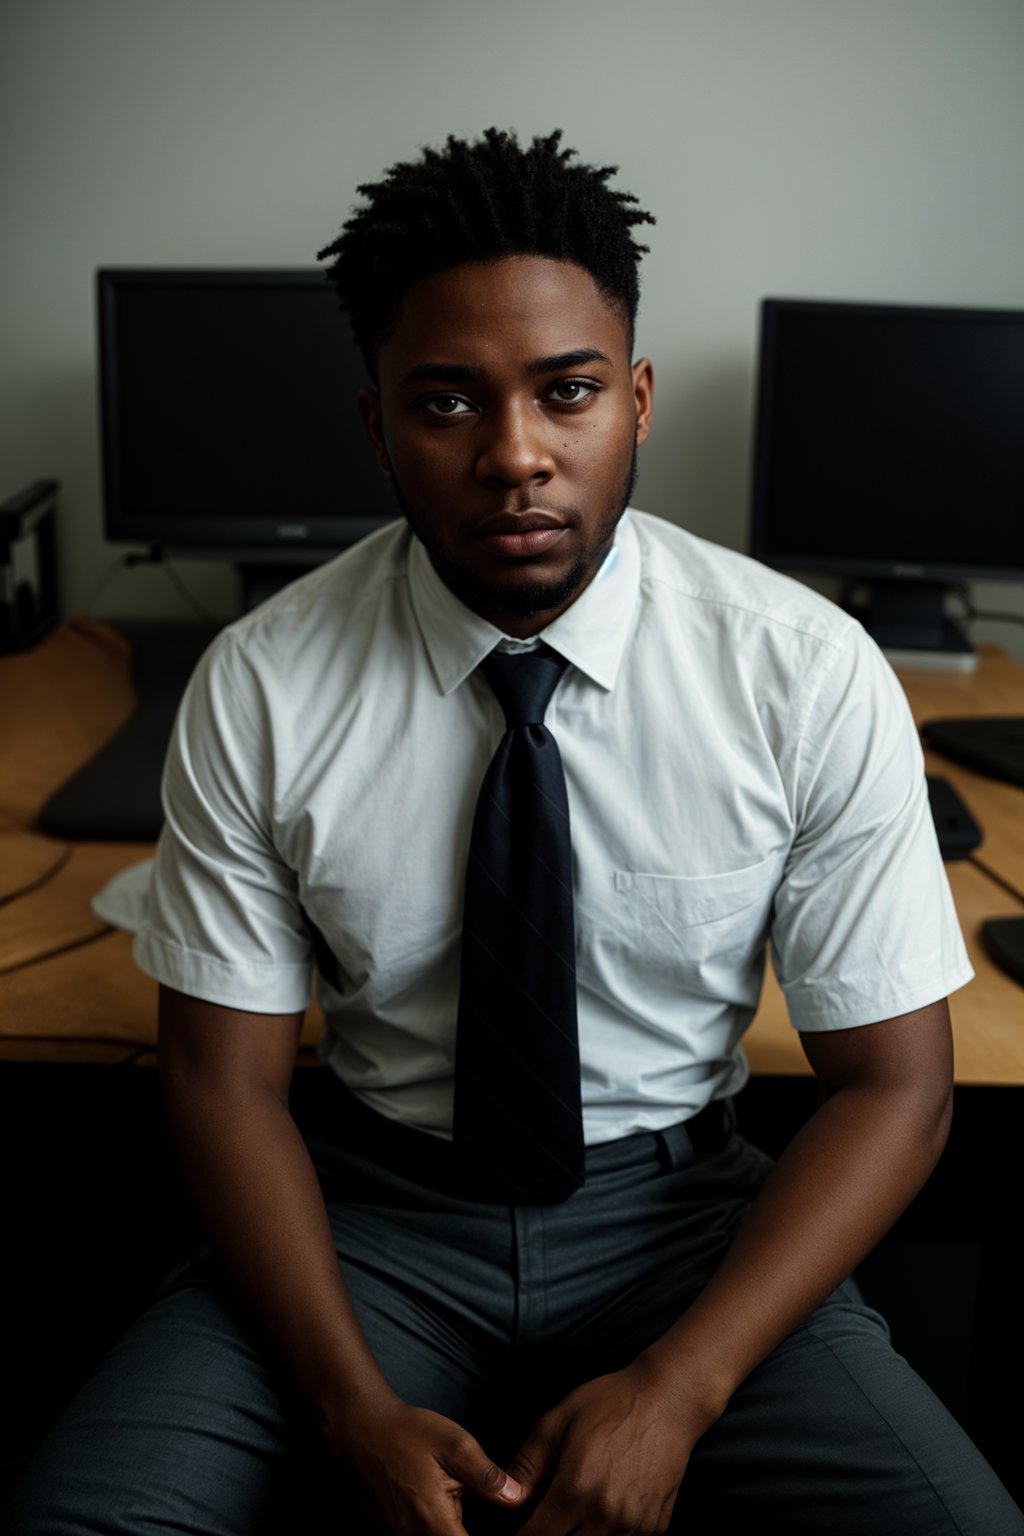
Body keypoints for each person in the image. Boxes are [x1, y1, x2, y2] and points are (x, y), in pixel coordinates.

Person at [4, 127, 1022, 1536]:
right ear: (376, 426)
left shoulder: (802, 669)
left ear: (639, 399)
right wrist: (348, 1412)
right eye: (447, 404)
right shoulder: (264, 680)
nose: (516, 457)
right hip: (371, 1220)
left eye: (568, 392)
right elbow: (223, 1084)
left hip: (686, 1227)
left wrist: (679, 1388)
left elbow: (896, 1091)